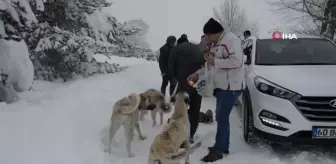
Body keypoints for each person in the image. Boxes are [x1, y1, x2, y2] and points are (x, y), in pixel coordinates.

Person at [194, 18, 245, 162]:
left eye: (209, 35)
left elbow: (237, 61)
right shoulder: (217, 43)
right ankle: (223, 146)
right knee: (220, 117)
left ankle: (218, 150)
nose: (208, 38)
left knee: (222, 118)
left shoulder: (231, 40)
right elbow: (211, 66)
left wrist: (214, 61)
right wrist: (197, 74)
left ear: (216, 32)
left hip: (231, 86)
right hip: (222, 87)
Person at [168, 35, 209, 143]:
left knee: (181, 110)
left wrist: (177, 79)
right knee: (195, 110)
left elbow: (171, 69)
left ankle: (179, 133)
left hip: (183, 84)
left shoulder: (175, 49)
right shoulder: (197, 48)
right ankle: (190, 135)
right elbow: (204, 65)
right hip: (197, 84)